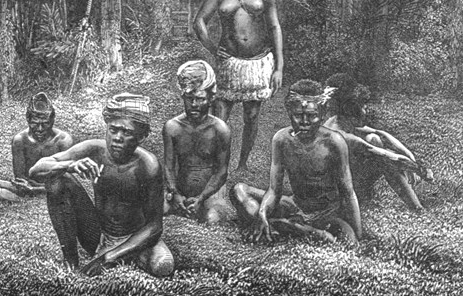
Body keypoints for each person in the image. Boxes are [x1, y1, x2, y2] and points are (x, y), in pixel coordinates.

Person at [29, 93, 174, 277]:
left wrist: (109, 257)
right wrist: (69, 165)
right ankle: (70, 262)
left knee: (163, 265)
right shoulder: (94, 150)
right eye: (113, 130)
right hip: (99, 233)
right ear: (106, 127)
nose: (118, 138)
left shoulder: (148, 165)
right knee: (58, 181)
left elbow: (154, 227)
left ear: (142, 136)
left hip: (133, 240)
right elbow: (35, 171)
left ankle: (115, 257)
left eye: (127, 132)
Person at [230, 80, 362, 246]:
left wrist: (358, 235)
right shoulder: (281, 139)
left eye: (312, 116)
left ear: (322, 114)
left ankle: (295, 229)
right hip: (295, 204)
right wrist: (262, 212)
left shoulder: (334, 142)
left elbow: (348, 193)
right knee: (238, 190)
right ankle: (275, 224)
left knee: (348, 242)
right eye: (298, 116)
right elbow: (274, 190)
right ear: (289, 112)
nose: (304, 122)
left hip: (326, 214)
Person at [194, 0, 284, 172]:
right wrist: (213, 48)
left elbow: (274, 26)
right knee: (220, 115)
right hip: (229, 62)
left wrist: (279, 67)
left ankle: (242, 165)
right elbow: (199, 21)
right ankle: (218, 164)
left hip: (258, 61)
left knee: (252, 116)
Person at [323, 73, 433, 211]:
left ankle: (413, 205)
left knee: (374, 139)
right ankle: (417, 208)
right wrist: (420, 169)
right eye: (363, 106)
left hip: (343, 181)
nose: (366, 110)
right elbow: (386, 156)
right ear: (352, 110)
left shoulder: (342, 121)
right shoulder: (341, 135)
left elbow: (382, 134)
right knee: (384, 160)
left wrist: (411, 157)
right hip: (333, 193)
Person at [163, 60, 232, 224]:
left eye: (200, 99)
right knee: (161, 211)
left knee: (212, 219)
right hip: (181, 189)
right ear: (182, 96)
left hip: (211, 192)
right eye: (189, 98)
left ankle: (205, 204)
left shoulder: (220, 129)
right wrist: (175, 193)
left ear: (211, 98)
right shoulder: (172, 127)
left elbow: (221, 172)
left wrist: (201, 198)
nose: (194, 104)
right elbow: (168, 166)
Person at [0, 92, 73, 202]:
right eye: (35, 123)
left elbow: (69, 179)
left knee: (58, 187)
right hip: (27, 187)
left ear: (52, 121)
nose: (40, 129)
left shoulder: (63, 140)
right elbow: (20, 178)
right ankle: (19, 199)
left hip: (54, 187)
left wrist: (37, 189)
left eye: (45, 123)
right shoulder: (20, 140)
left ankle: (22, 199)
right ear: (28, 120)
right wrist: (26, 186)